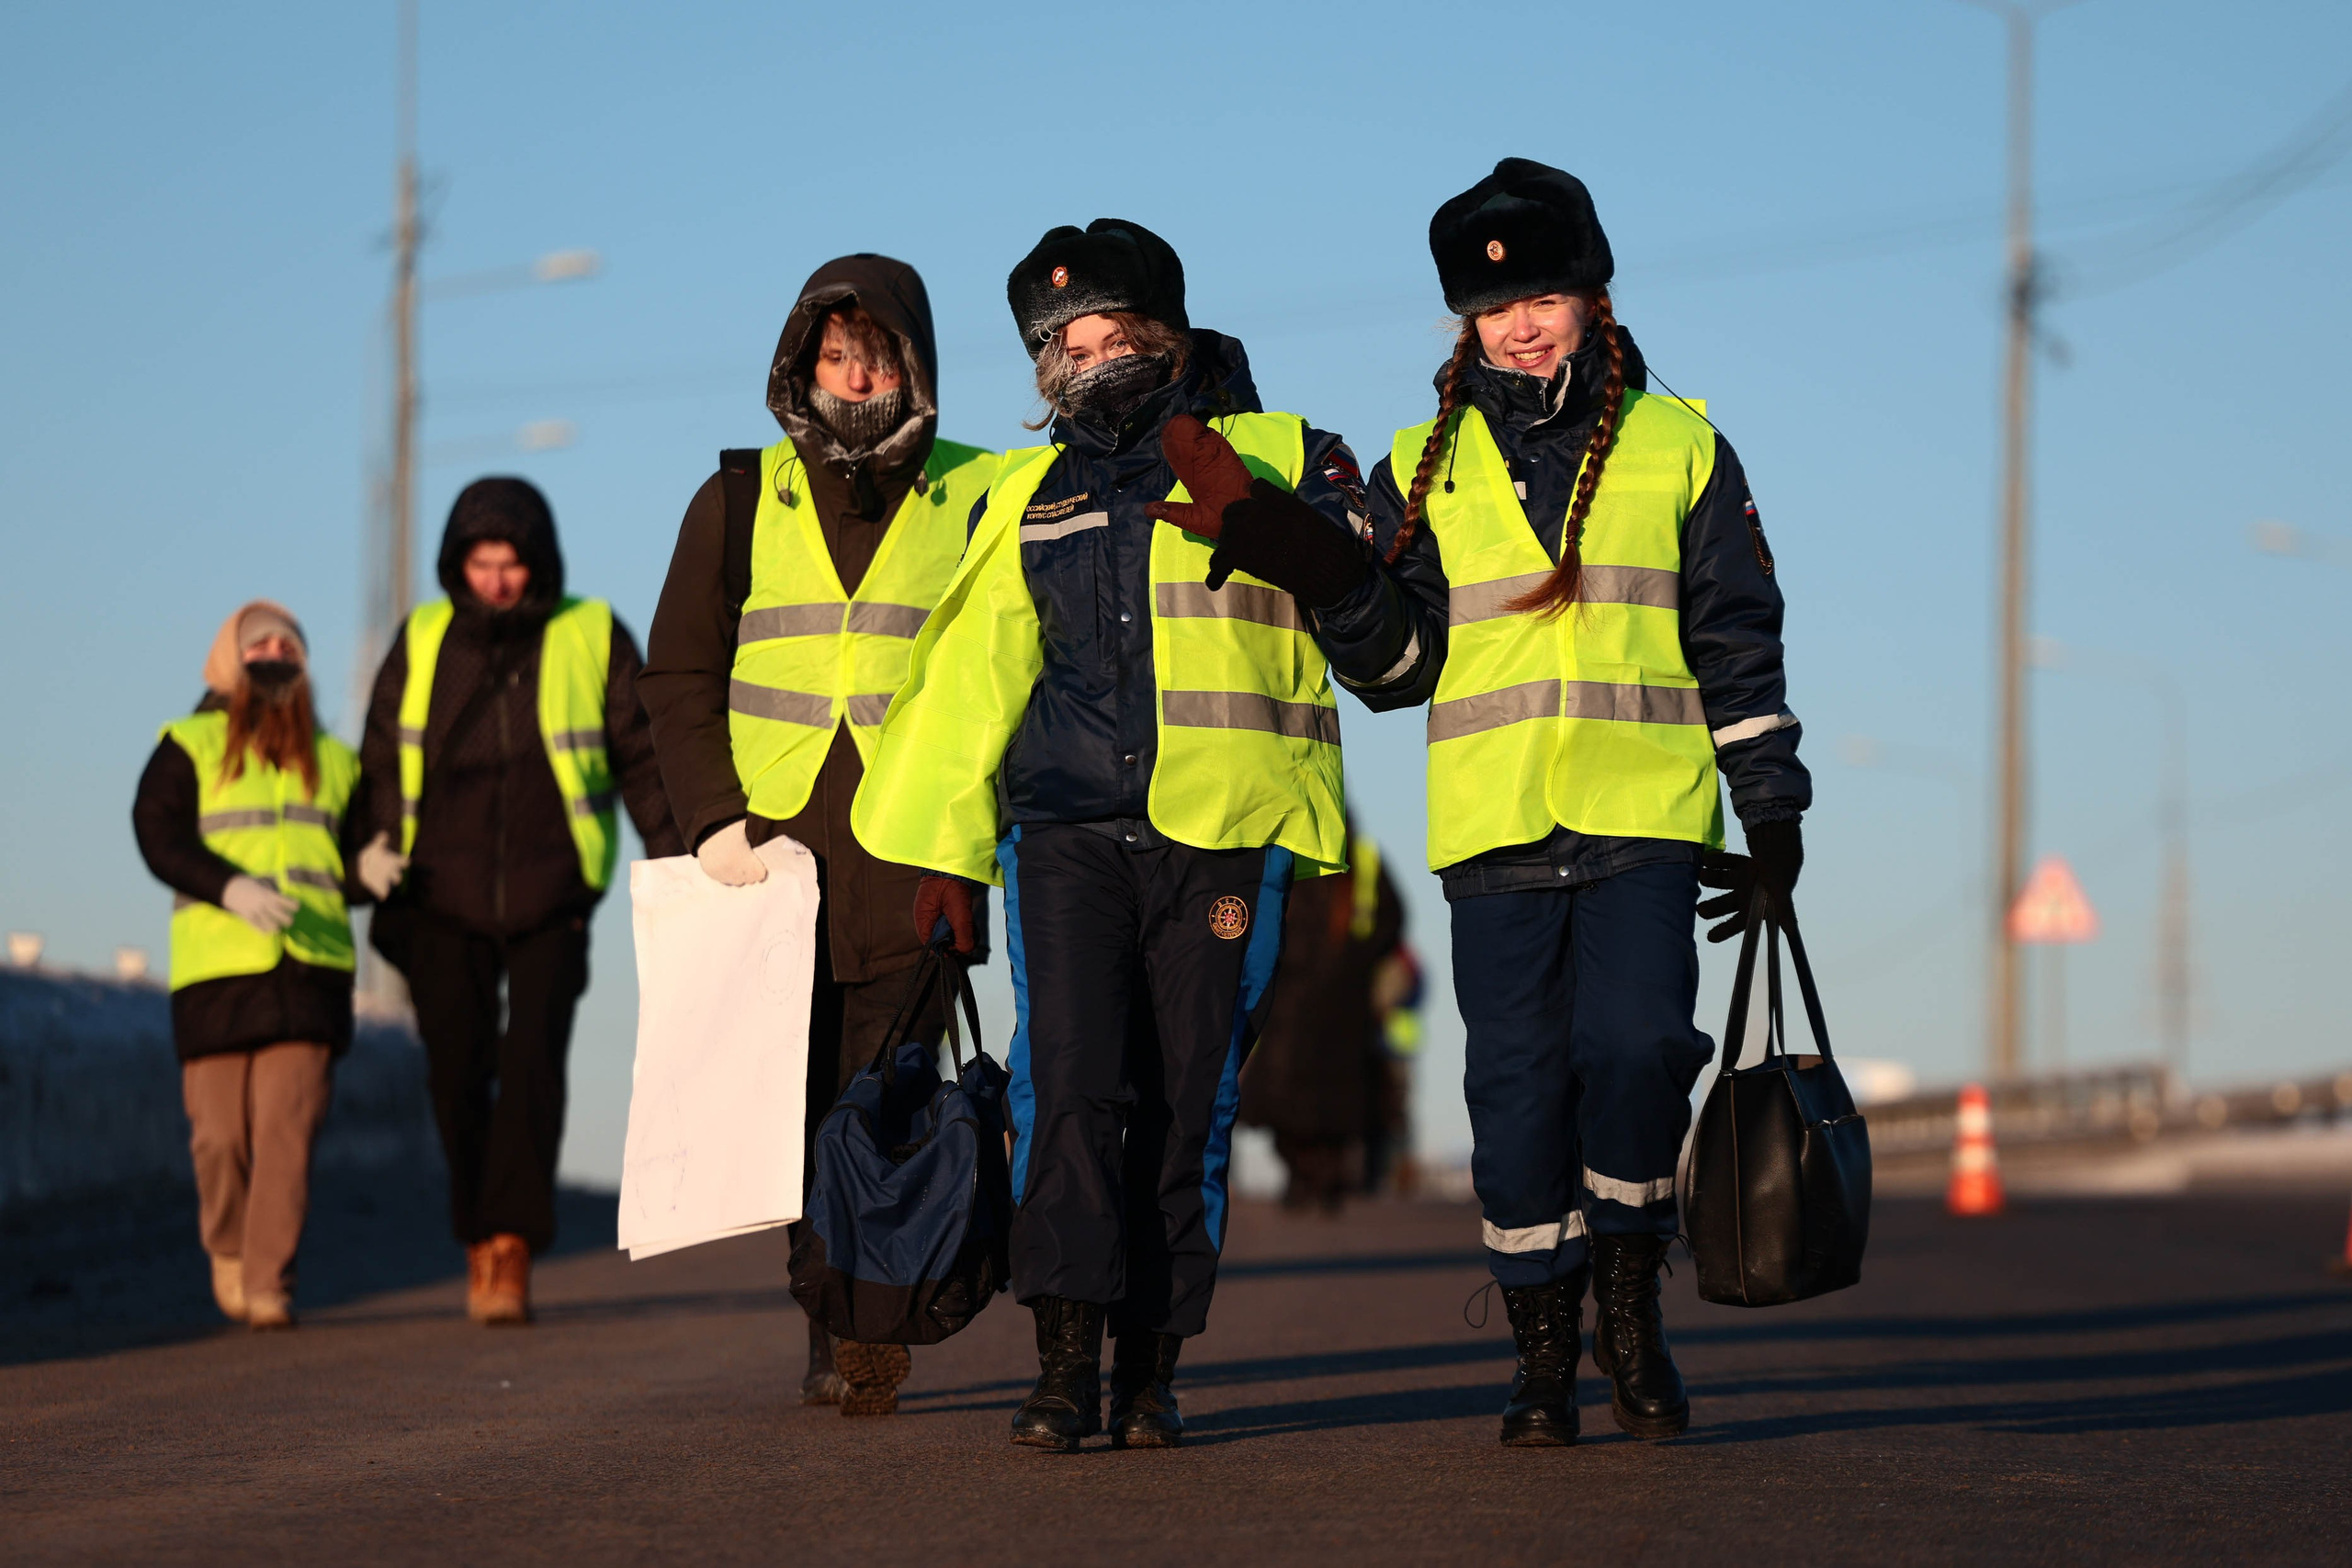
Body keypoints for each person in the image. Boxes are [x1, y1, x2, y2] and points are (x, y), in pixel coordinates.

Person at [854, 219, 1419, 1451]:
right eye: (1063, 341)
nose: (1088, 357)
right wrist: (950, 849)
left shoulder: (1287, 453)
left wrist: (1284, 531)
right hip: (1059, 833)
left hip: (1222, 835)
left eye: (1111, 334)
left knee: (1187, 1101)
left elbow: (1383, 643)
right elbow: (968, 686)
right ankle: (1063, 1362)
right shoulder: (1024, 492)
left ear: (1162, 337)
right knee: (1064, 1091)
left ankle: (1151, 1370)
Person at [1341, 159, 1812, 1445]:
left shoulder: (1681, 444)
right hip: (1493, 832)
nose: (1523, 322)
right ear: (1466, 324)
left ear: (1593, 295)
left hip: (1646, 821)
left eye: (1545, 292)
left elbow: (1738, 634)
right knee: (1518, 1091)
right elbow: (1397, 669)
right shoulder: (1413, 466)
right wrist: (1331, 586)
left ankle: (1627, 1299)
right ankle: (1542, 1347)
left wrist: (1770, 808)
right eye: (1496, 308)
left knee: (1640, 1047)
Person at [641, 254, 999, 1416]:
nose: (857, 374)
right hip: (772, 863)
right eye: (837, 355)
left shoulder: (979, 490)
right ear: (804, 366)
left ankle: (862, 1318)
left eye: (878, 355)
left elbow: (1007, 665)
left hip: (913, 857)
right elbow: (680, 672)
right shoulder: (738, 497)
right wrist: (708, 822)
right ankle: (827, 1304)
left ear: (914, 366)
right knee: (789, 1104)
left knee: (880, 1095)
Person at [357, 478, 683, 1325]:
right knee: (458, 1069)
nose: (497, 579)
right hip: (438, 890)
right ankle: (477, 1227)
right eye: (481, 561)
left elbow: (643, 755)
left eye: (511, 563)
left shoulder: (589, 633)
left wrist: (676, 860)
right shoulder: (425, 638)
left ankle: (509, 1246)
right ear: (456, 564)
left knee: (534, 1066)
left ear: (537, 562)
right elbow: (384, 754)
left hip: (552, 889)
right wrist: (371, 847)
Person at [132, 602, 367, 1331]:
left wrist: (372, 867)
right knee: (220, 1137)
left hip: (311, 967)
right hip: (218, 973)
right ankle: (229, 1249)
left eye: (286, 644)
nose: (273, 653)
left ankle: (269, 1281)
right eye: (257, 643)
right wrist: (227, 886)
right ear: (228, 661)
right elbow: (156, 831)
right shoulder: (189, 743)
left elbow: (344, 860)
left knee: (285, 1129)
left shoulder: (336, 760)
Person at [1237, 819, 1404, 1213]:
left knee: (1332, 1104)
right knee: (1292, 1103)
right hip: (1299, 1001)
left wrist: (1354, 959)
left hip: (1336, 1003)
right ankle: (1307, 1175)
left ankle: (1323, 1177)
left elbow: (1391, 917)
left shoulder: (1357, 856)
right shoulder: (1291, 851)